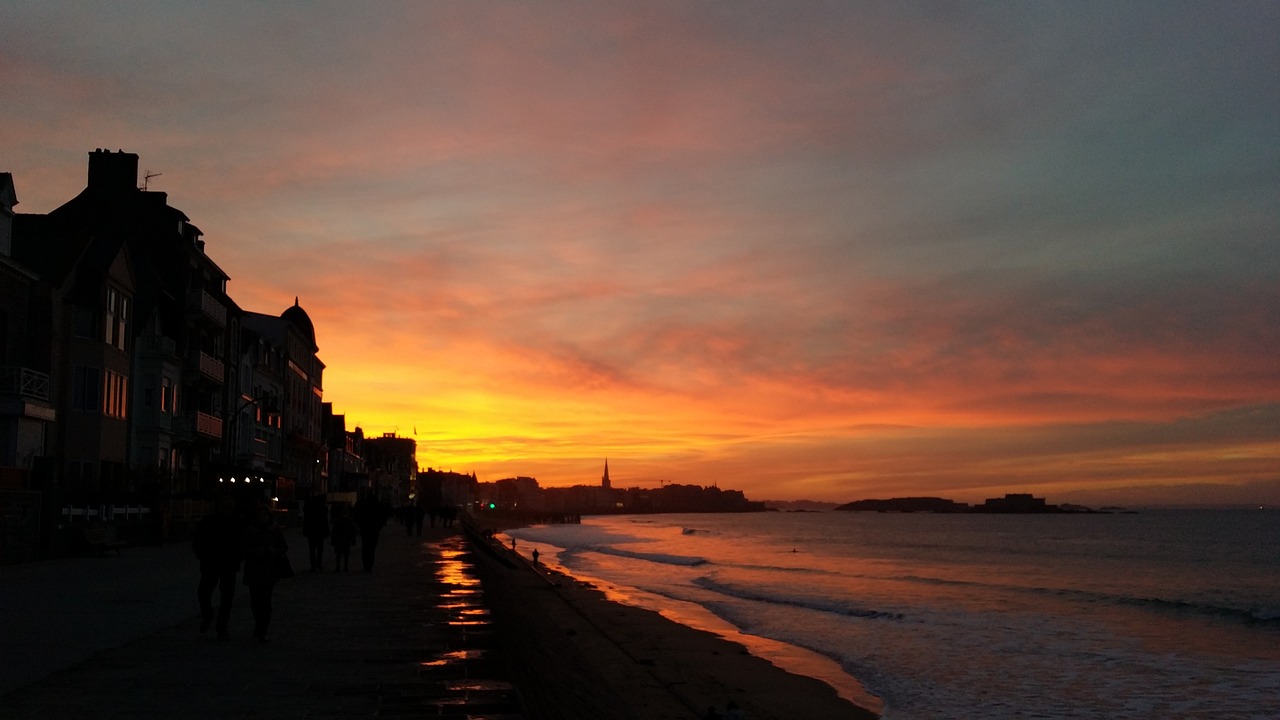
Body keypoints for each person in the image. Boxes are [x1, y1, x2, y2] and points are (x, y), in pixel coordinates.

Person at [192, 495, 242, 639]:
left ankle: (222, 627)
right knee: (204, 593)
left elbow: (243, 543)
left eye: (230, 507)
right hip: (211, 563)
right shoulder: (208, 522)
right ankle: (209, 615)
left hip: (228, 564)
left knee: (226, 598)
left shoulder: (237, 523)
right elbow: (198, 541)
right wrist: (202, 555)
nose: (227, 510)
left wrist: (238, 557)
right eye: (224, 507)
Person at [242, 504, 288, 642]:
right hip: (254, 568)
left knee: (266, 601)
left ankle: (262, 629)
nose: (262, 517)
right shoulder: (249, 530)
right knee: (255, 601)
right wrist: (257, 552)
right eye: (259, 515)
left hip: (270, 569)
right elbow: (243, 549)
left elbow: (283, 547)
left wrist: (272, 552)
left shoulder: (275, 529)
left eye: (265, 514)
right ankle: (258, 624)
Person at [353, 491, 385, 572]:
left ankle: (365, 564)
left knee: (365, 547)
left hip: (365, 529)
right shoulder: (377, 505)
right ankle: (370, 564)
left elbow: (357, 515)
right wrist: (379, 526)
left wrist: (360, 525)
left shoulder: (363, 505)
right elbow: (382, 516)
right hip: (374, 529)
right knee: (372, 548)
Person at [302, 494, 329, 572]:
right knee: (319, 549)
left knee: (312, 549)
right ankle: (318, 563)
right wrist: (326, 531)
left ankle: (314, 564)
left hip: (312, 531)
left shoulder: (310, 510)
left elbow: (306, 521)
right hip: (319, 531)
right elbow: (325, 521)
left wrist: (305, 531)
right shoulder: (322, 509)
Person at [330, 503, 357, 571]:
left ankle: (338, 566)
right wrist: (353, 540)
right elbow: (352, 530)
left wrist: (333, 540)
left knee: (339, 554)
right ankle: (345, 566)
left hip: (339, 538)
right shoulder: (349, 520)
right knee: (345, 553)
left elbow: (334, 531)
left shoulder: (338, 520)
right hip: (346, 538)